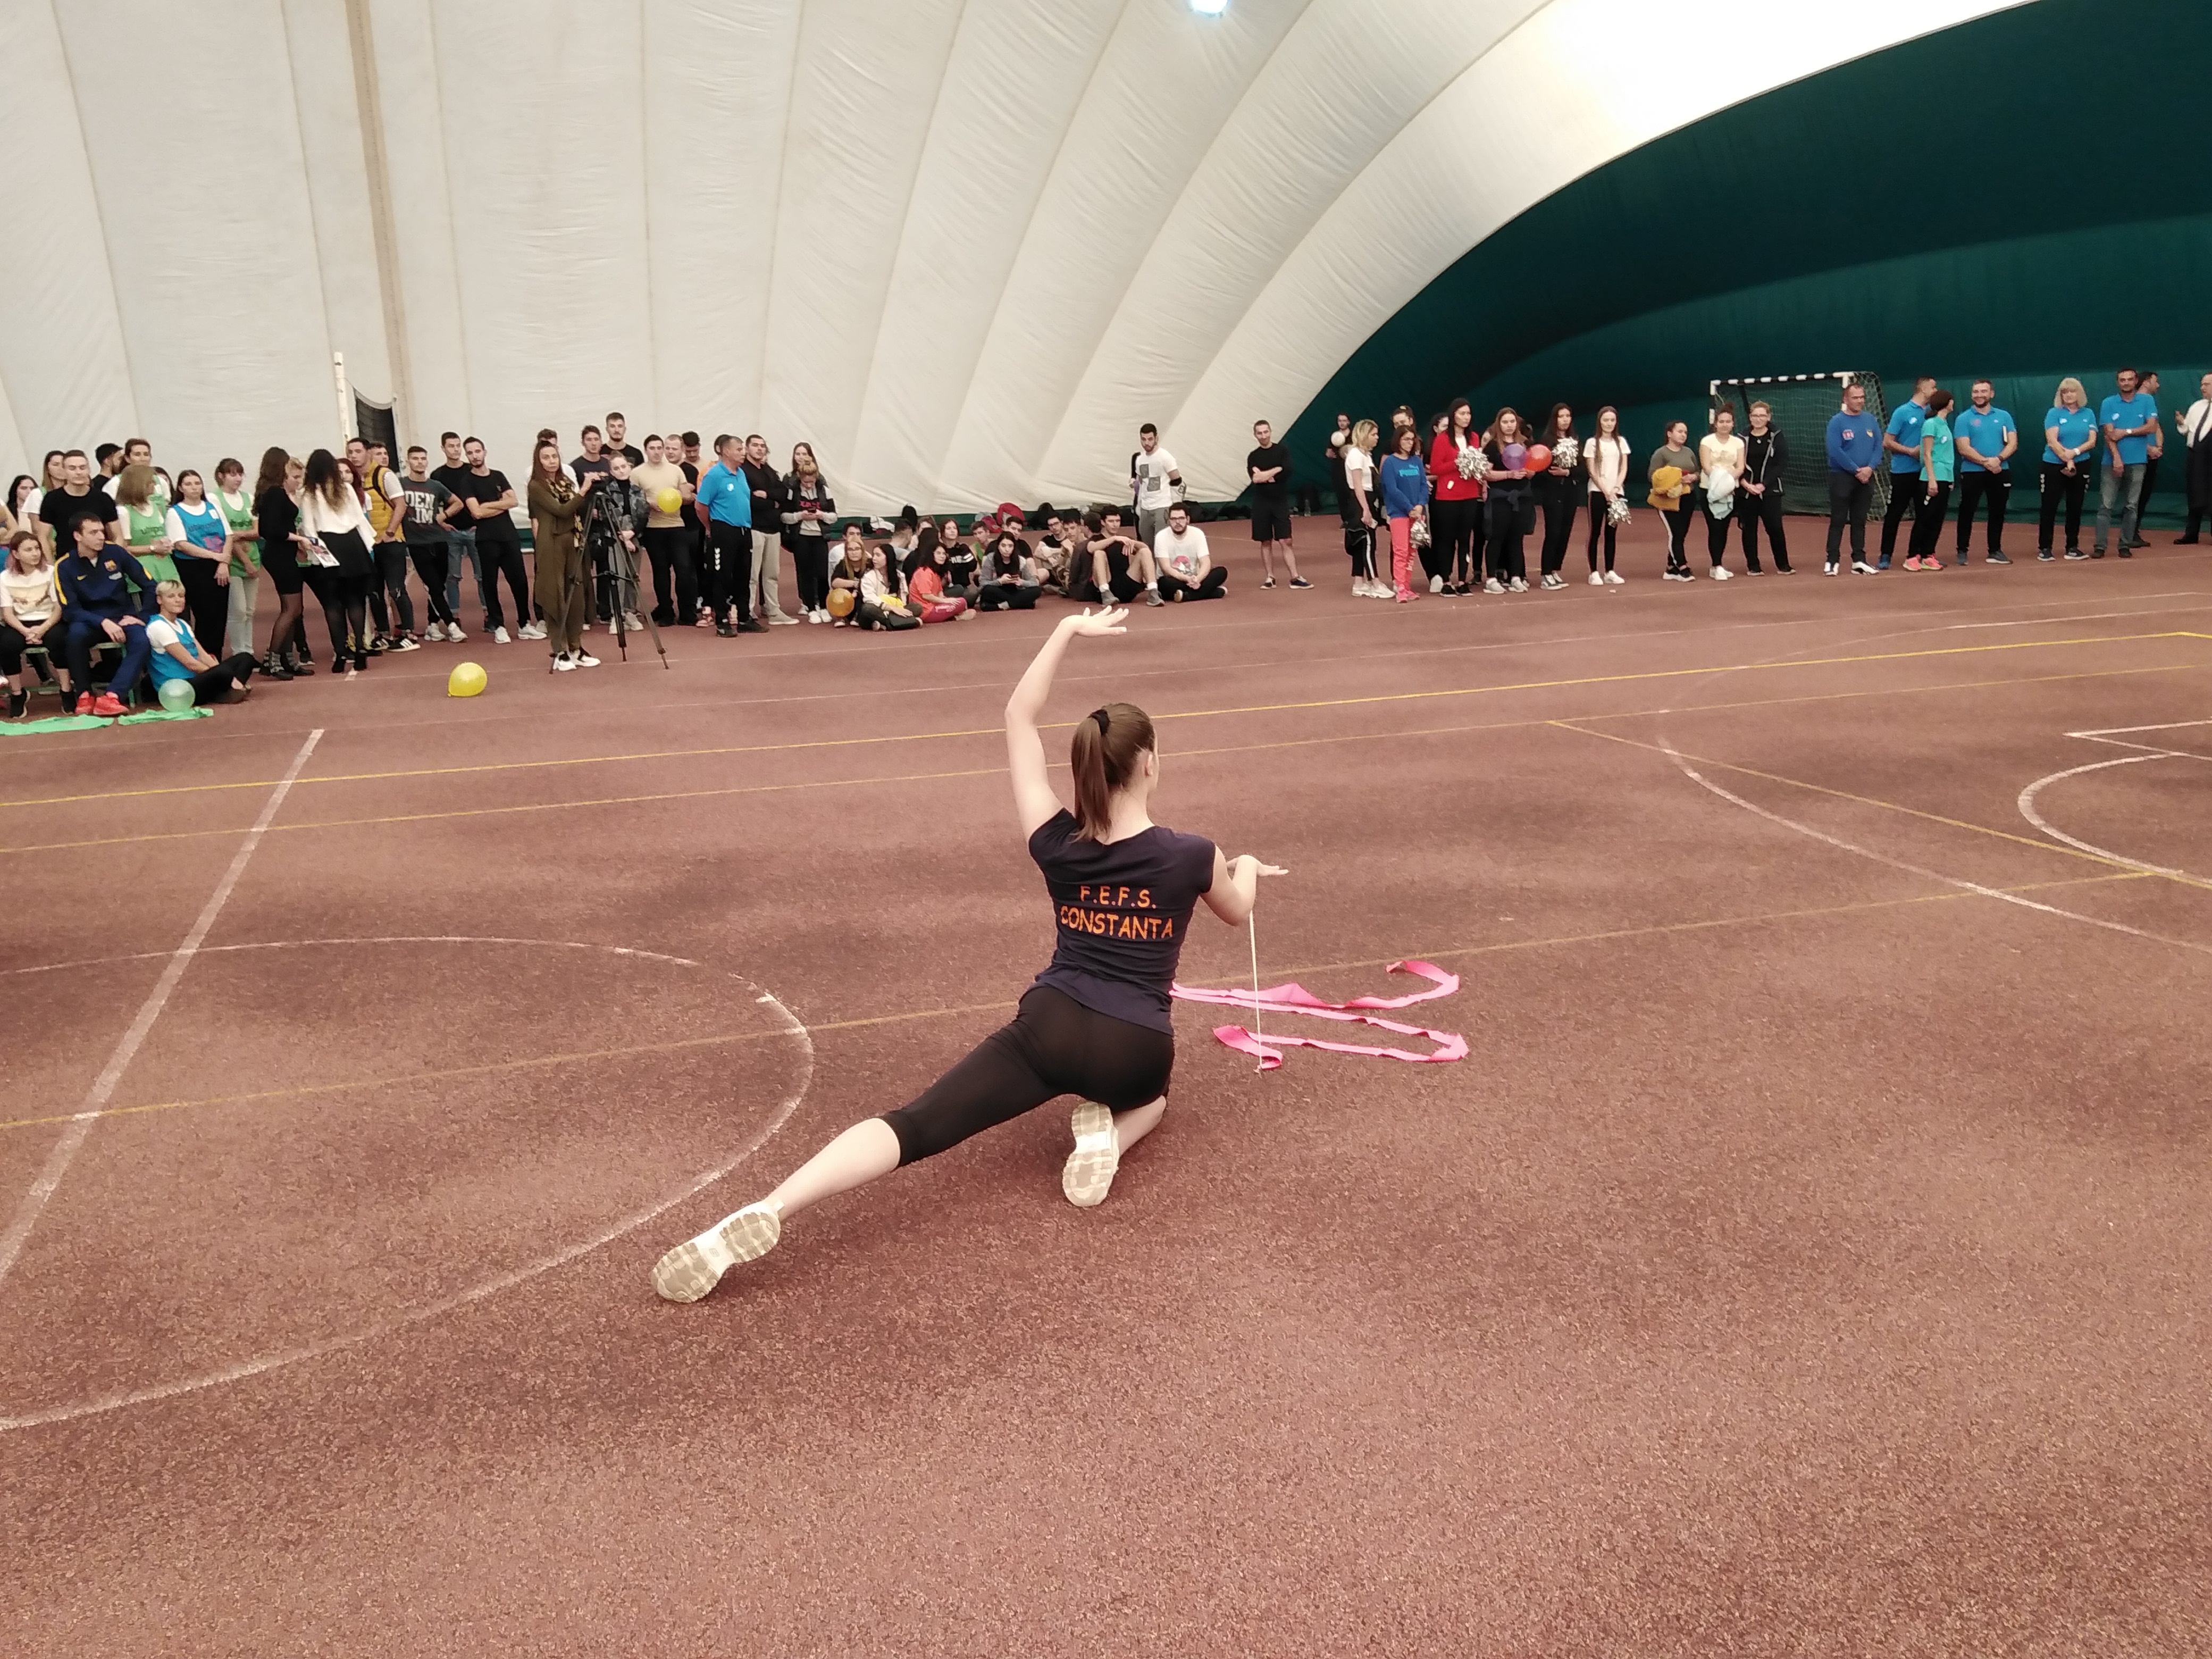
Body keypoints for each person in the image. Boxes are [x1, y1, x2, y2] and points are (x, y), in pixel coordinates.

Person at [650, 607, 1285, 1303]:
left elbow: (1018, 716)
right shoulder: (1193, 854)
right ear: (1151, 764)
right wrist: (1249, 865)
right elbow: (1238, 910)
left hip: (1048, 1026)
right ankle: (1111, 1139)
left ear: (1083, 766)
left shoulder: (1054, 839)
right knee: (1155, 1098)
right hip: (1133, 1046)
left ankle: (773, 1206)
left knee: (916, 1123)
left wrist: (1065, 631)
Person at [56, 515, 155, 715]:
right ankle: (84, 694)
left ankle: (113, 696)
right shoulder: (64, 565)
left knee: (142, 640)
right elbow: (71, 610)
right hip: (88, 619)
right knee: (74, 637)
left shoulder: (116, 552)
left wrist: (142, 617)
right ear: (78, 536)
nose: (101, 536)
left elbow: (150, 585)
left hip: (122, 616)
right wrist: (102, 622)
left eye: (102, 531)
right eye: (94, 533)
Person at [297, 449, 376, 674]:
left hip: (328, 545)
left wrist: (316, 555)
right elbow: (360, 519)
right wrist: (369, 545)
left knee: (332, 605)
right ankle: (360, 649)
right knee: (355, 601)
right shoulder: (346, 489)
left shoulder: (308, 494)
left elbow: (309, 528)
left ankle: (340, 654)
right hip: (353, 546)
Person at [527, 439, 598, 671]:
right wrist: (584, 489)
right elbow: (562, 510)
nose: (551, 461)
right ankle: (560, 650)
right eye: (546, 457)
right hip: (552, 544)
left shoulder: (565, 482)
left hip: (573, 542)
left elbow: (577, 509)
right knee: (555, 596)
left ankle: (576, 647)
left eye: (554, 457)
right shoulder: (536, 486)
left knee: (575, 595)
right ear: (538, 461)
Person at [457, 438, 534, 642]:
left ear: (485, 452)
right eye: (470, 453)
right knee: (490, 583)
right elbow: (477, 513)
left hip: (509, 537)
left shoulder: (498, 475)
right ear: (467, 456)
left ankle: (525, 624)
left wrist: (487, 505)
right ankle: (498, 626)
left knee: (520, 581)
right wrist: (501, 504)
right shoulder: (467, 482)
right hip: (486, 540)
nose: (475, 456)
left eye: (478, 451)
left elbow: (514, 501)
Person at [147, 579, 256, 706]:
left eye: (181, 596)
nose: (178, 600)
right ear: (160, 600)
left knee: (245, 659)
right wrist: (222, 676)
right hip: (179, 687)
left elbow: (203, 656)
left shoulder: (182, 624)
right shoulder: (159, 626)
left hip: (196, 679)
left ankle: (225, 693)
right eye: (171, 597)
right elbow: (190, 664)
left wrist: (219, 673)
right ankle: (231, 690)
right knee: (224, 672)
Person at [250, 450, 308, 677]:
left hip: (283, 555)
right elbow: (271, 529)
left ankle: (287, 658)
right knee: (292, 609)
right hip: (280, 556)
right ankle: (272, 659)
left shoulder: (272, 491)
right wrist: (298, 539)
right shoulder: (274, 493)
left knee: (294, 609)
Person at [398, 445, 466, 641]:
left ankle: (432, 625)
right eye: (415, 459)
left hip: (439, 540)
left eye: (423, 458)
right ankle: (452, 625)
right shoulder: (401, 484)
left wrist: (443, 516)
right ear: (408, 462)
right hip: (416, 543)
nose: (420, 462)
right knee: (433, 586)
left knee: (439, 586)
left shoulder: (435, 486)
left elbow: (458, 503)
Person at [163, 468, 236, 649]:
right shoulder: (175, 512)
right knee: (205, 616)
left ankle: (216, 657)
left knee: (220, 617)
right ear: (181, 488)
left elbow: (229, 535)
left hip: (220, 567)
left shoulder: (213, 507)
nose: (194, 487)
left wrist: (223, 562)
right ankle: (203, 657)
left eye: (197, 483)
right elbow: (181, 544)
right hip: (194, 568)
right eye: (188, 484)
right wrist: (216, 556)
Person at [693, 435, 758, 635]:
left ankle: (744, 618)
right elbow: (701, 506)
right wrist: (710, 527)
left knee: (743, 575)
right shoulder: (714, 475)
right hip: (724, 530)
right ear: (726, 451)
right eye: (739, 449)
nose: (743, 453)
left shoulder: (741, 473)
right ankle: (722, 621)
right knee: (722, 576)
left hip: (744, 530)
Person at [1951, 380, 2017, 565]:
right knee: (1967, 511)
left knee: (1998, 511)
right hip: (1972, 472)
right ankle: (1962, 550)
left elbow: (2013, 443)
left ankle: (1995, 551)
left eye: (1983, 391)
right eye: (1976, 392)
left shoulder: (2004, 416)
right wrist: (1986, 462)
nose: (1979, 395)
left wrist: (1999, 459)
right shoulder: (1963, 418)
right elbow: (1963, 447)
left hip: (2000, 471)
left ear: (1991, 394)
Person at [2096, 367, 2159, 558]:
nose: (2126, 383)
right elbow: (2109, 434)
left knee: (2131, 506)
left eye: (2129, 379)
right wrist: (2116, 458)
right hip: (2111, 462)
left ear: (2136, 381)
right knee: (2106, 506)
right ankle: (2100, 546)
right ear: (2118, 383)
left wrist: (2126, 432)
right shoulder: (2108, 403)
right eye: (2122, 380)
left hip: (2138, 462)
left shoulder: (2147, 401)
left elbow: (2152, 427)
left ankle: (2125, 545)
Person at [633, 434, 695, 627]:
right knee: (661, 572)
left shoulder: (676, 471)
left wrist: (680, 497)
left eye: (660, 448)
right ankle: (666, 612)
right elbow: (634, 500)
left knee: (684, 569)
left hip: (677, 526)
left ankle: (687, 613)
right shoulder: (637, 473)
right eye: (652, 448)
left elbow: (687, 496)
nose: (657, 452)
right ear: (646, 450)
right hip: (653, 528)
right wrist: (649, 504)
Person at [3, 531, 65, 717]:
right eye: (28, 550)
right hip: (20, 624)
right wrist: (26, 631)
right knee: (7, 645)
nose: (35, 553)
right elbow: (8, 614)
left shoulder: (52, 572)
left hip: (49, 621)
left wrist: (42, 629)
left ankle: (66, 690)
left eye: (37, 548)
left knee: (60, 640)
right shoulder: (4, 578)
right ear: (16, 554)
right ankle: (17, 694)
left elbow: (58, 608)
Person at [1426, 400, 1484, 594]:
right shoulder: (1443, 439)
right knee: (1446, 539)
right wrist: (1458, 462)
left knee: (1465, 538)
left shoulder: (1474, 437)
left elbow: (1477, 463)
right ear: (1453, 416)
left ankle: (1462, 580)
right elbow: (1436, 468)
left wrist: (1478, 467)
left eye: (1468, 414)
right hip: (1448, 496)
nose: (1466, 417)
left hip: (1470, 493)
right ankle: (1445, 580)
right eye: (1462, 414)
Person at [1878, 374, 1936, 569]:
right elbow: (1887, 442)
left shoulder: (1932, 413)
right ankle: (1886, 555)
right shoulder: (1902, 412)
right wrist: (1910, 451)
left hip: (1924, 473)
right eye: (1933, 387)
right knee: (1894, 514)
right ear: (1923, 389)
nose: (1936, 391)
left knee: (1925, 514)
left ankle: (1919, 554)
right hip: (1903, 473)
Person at [208, 458, 263, 657]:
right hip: (232, 562)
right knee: (238, 610)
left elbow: (257, 531)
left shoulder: (249, 498)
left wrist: (238, 535)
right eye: (232, 474)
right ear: (221, 476)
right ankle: (240, 653)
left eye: (240, 474)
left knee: (250, 610)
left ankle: (249, 651)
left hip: (253, 557)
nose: (238, 478)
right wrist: (244, 559)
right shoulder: (214, 499)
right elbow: (225, 534)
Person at [1824, 382, 1881, 575]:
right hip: (1842, 477)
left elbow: (1878, 447)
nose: (1860, 401)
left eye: (1862, 397)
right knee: (1838, 520)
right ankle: (1832, 561)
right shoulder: (1837, 422)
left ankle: (1859, 560)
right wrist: (1857, 470)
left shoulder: (1870, 420)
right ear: (1846, 399)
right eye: (1855, 398)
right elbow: (1835, 450)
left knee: (1860, 520)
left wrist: (1870, 468)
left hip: (1866, 478)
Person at [1478, 408, 1536, 593]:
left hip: (1522, 498)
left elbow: (1533, 470)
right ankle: (1491, 578)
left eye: (1512, 422)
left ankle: (1516, 577)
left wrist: (1529, 472)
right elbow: (1486, 473)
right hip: (1500, 498)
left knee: (1516, 538)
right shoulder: (1493, 446)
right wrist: (1508, 474)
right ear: (1499, 424)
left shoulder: (1526, 444)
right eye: (1505, 422)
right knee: (1497, 538)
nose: (1509, 425)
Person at [2040, 378, 2097, 562]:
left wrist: (2075, 453)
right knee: (2049, 506)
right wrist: (2067, 459)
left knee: (2075, 506)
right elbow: (2052, 441)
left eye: (2072, 391)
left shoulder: (2088, 414)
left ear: (2079, 393)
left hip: (2082, 464)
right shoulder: (2054, 413)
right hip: (2053, 464)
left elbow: (2092, 441)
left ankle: (2072, 547)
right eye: (2065, 392)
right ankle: (2045, 548)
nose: (2069, 395)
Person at [739, 435, 792, 625]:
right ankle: (747, 611)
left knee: (772, 574)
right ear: (747, 448)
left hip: (774, 530)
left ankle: (773, 610)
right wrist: (773, 503)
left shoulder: (769, 471)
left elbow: (783, 493)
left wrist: (767, 495)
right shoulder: (743, 471)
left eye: (762, 446)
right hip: (755, 529)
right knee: (752, 575)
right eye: (755, 445)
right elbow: (750, 500)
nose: (760, 449)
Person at [593, 450, 649, 634]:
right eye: (616, 468)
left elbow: (643, 515)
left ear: (629, 467)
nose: (621, 471)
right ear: (611, 472)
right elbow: (606, 517)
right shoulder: (606, 492)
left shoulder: (638, 491)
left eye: (624, 467)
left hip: (634, 537)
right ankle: (617, 616)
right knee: (618, 577)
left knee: (633, 576)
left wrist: (632, 534)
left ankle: (630, 612)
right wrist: (623, 539)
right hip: (615, 539)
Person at [1244, 420, 1303, 590]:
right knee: (1265, 541)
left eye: (1266, 432)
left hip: (1280, 502)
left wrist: (1266, 475)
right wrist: (1276, 470)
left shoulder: (1282, 451)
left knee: (1286, 540)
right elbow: (1256, 479)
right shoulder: (1253, 456)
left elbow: (1287, 470)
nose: (1263, 436)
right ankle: (1270, 578)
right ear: (1255, 435)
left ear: (1270, 432)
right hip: (1261, 504)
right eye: (1260, 433)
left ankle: (1295, 577)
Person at [431, 432, 482, 624]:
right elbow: (433, 503)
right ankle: (454, 616)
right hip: (451, 532)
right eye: (451, 446)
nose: (455, 450)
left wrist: (479, 522)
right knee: (452, 577)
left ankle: (489, 615)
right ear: (443, 449)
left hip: (475, 530)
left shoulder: (471, 471)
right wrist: (442, 523)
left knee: (482, 575)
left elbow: (482, 498)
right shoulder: (438, 475)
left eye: (458, 446)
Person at [1734, 401, 1790, 574]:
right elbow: (1735, 463)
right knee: (1749, 529)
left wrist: (1764, 484)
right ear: (1750, 417)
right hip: (1746, 491)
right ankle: (1753, 566)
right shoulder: (1741, 437)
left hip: (1770, 491)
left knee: (1775, 528)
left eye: (1762, 416)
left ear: (1768, 417)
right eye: (1755, 416)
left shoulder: (1776, 435)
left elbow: (1781, 463)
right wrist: (1745, 484)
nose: (1758, 419)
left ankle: (1783, 565)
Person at [1904, 389, 1957, 570]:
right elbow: (1927, 453)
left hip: (1945, 478)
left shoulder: (1945, 424)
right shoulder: (1931, 424)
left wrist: (1950, 479)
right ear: (1947, 403)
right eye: (1951, 400)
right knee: (1924, 518)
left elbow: (1947, 455)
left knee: (1937, 519)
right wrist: (1932, 480)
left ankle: (1928, 554)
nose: (1953, 403)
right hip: (1931, 478)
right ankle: (1912, 556)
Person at [32, 450, 119, 560]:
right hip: (67, 561)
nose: (78, 472)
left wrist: (115, 559)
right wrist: (51, 565)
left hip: (101, 561)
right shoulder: (52, 499)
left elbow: (117, 535)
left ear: (89, 470)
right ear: (64, 471)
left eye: (82, 468)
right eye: (72, 468)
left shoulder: (103, 498)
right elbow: (43, 536)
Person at [1532, 404, 1583, 590]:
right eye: (1561, 416)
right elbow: (1540, 468)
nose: (1565, 420)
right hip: (1553, 492)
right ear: (1555, 419)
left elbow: (1583, 469)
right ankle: (1546, 573)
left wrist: (1568, 472)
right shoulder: (1547, 441)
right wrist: (1554, 473)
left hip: (1571, 492)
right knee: (1553, 532)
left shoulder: (1575, 440)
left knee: (1565, 532)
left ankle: (1555, 570)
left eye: (1568, 416)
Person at [1379, 425, 1430, 603]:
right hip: (1399, 514)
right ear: (1398, 441)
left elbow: (1423, 484)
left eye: (1412, 439)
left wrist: (1420, 505)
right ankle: (1400, 587)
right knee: (1401, 551)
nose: (1410, 443)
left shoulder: (1416, 461)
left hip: (1417, 513)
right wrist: (1409, 508)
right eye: (1406, 439)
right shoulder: (1390, 463)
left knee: (1411, 552)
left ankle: (1407, 587)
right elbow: (1392, 490)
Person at [1582, 407, 1631, 585]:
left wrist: (1616, 488)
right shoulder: (1592, 443)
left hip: (1616, 493)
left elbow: (1624, 467)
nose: (1609, 424)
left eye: (1612, 420)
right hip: (1597, 492)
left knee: (1611, 532)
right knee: (1595, 531)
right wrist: (1605, 490)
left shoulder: (1621, 442)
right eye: (1606, 420)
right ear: (1600, 422)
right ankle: (1594, 572)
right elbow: (1592, 470)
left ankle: (1610, 571)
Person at [1695, 405, 1743, 580]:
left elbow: (1740, 467)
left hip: (1730, 491)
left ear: (1733, 424)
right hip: (1710, 490)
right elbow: (1706, 466)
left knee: (1724, 528)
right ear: (1716, 424)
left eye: (1728, 422)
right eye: (1721, 422)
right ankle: (1717, 565)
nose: (1724, 425)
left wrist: (1728, 483)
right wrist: (1718, 482)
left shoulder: (1738, 443)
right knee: (1715, 527)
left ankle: (1717, 566)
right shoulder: (1707, 441)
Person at [1339, 418, 1385, 597]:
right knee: (1367, 543)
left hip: (1369, 500)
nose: (1377, 437)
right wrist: (1365, 509)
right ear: (1364, 435)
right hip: (1359, 501)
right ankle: (1375, 582)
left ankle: (1359, 582)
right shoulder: (1356, 455)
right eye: (1373, 434)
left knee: (1360, 543)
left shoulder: (1366, 455)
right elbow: (1358, 485)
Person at [1647, 419, 1697, 581]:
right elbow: (1652, 476)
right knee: (1675, 532)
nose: (1683, 435)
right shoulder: (1661, 454)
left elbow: (1698, 471)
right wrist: (1675, 478)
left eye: (1685, 432)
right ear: (1669, 434)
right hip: (1668, 500)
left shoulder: (1689, 452)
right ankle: (1682, 566)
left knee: (1682, 533)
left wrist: (1694, 477)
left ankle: (1671, 568)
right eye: (1680, 432)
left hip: (1688, 497)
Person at [111, 464, 177, 585]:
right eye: (151, 481)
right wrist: (153, 548)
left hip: (165, 567)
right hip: (141, 571)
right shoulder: (124, 512)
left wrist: (167, 544)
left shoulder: (154, 506)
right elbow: (122, 548)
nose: (155, 484)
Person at [1152, 502, 1227, 601]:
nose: (1177, 522)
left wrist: (1199, 579)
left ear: (1188, 519)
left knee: (1221, 572)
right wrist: (1186, 579)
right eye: (1174, 519)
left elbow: (1206, 562)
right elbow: (1166, 569)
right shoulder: (1161, 537)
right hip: (1174, 579)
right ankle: (1210, 592)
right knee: (1164, 583)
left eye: (1181, 518)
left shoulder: (1198, 533)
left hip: (1195, 578)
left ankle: (1187, 596)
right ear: (1169, 521)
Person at [1130, 423, 1181, 551]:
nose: (1147, 443)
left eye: (1150, 439)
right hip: (1146, 507)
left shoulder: (1165, 457)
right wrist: (1135, 483)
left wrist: (1176, 505)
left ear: (1156, 438)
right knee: (1146, 544)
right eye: (1143, 439)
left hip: (1163, 505)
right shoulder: (1140, 459)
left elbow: (1177, 480)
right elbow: (1141, 481)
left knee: (1162, 543)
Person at [1087, 508, 1152, 604]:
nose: (1115, 524)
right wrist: (1114, 539)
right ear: (1103, 522)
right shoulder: (1096, 539)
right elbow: (1091, 548)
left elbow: (1146, 549)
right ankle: (1105, 593)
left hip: (1125, 585)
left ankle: (1153, 591)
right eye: (1111, 521)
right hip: (1107, 584)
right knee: (1099, 553)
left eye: (1118, 521)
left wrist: (1133, 543)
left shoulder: (1124, 540)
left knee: (1144, 551)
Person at [906, 533, 971, 623]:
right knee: (961, 602)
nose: (942, 556)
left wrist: (946, 600)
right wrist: (945, 601)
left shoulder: (935, 573)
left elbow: (940, 593)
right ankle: (955, 617)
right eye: (938, 553)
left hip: (934, 605)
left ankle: (951, 615)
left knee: (961, 602)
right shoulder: (924, 572)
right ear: (931, 555)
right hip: (926, 611)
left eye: (944, 554)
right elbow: (926, 595)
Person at [2179, 372, 2212, 544]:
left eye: (2207, 384)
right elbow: (2187, 430)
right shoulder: (2197, 406)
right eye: (2202, 384)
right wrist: (2181, 423)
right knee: (2194, 493)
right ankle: (2191, 534)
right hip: (2195, 456)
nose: (2202, 388)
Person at [855, 543, 919, 631]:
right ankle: (904, 623)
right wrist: (891, 608)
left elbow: (903, 598)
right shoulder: (868, 576)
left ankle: (885, 625)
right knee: (867, 609)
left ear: (888, 557)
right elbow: (869, 598)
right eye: (874, 555)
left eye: (878, 555)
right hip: (879, 609)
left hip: (895, 611)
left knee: (917, 608)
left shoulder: (899, 576)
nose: (874, 559)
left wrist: (900, 609)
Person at [2132, 372, 2163, 548]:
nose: (2158, 385)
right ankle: (2130, 532)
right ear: (2145, 382)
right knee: (2135, 496)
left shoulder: (2151, 402)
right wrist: (2148, 449)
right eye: (2155, 381)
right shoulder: (2135, 402)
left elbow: (2156, 428)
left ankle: (2134, 531)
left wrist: (2158, 447)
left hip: (2152, 456)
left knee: (2144, 496)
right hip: (2137, 457)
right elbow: (2132, 430)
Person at [977, 530, 1043, 610]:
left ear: (1014, 547)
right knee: (987, 590)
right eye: (1003, 546)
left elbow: (1034, 583)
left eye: (1010, 546)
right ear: (998, 546)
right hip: (998, 591)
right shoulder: (991, 559)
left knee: (1037, 590)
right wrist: (1000, 581)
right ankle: (1021, 603)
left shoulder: (1021, 560)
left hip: (1016, 591)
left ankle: (1003, 606)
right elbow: (983, 584)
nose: (1007, 549)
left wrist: (1022, 582)